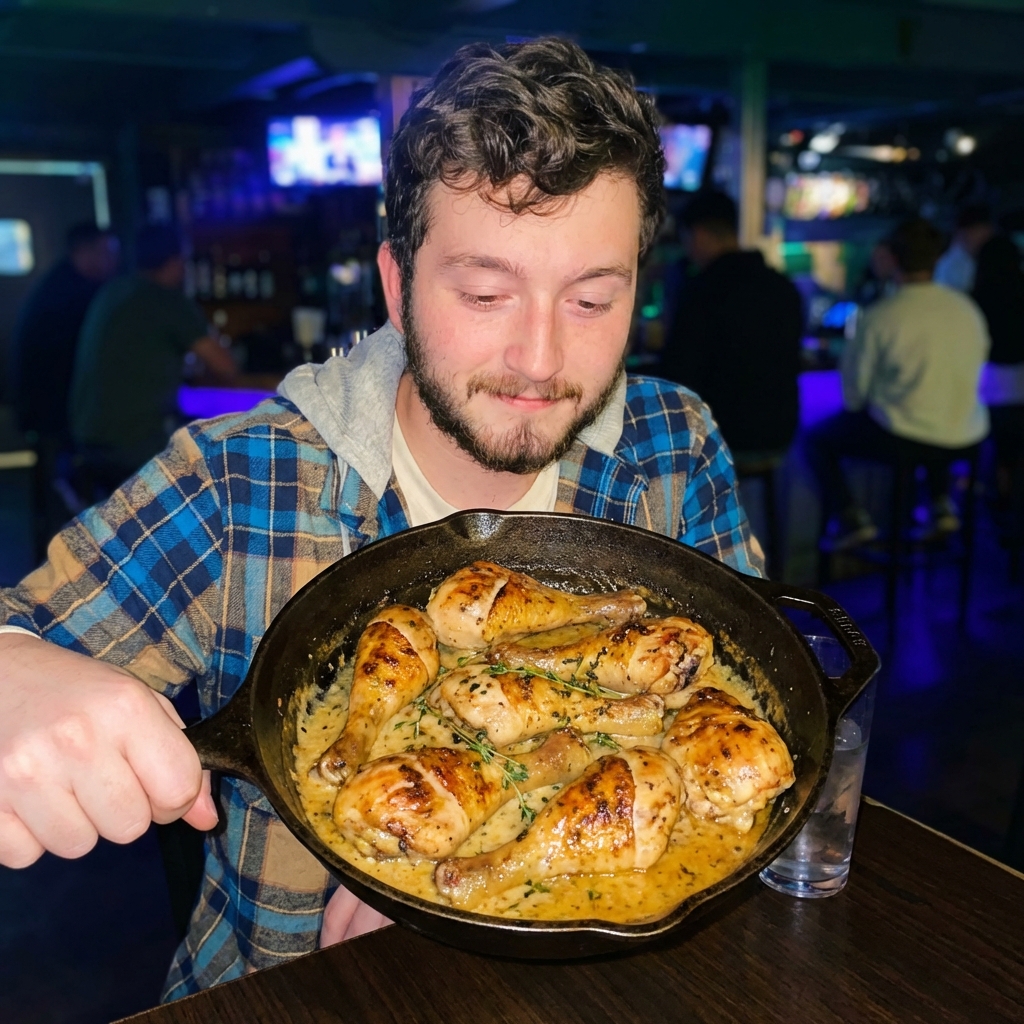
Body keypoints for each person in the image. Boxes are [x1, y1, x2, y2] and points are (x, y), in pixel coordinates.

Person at [0, 39, 762, 1000]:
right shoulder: (242, 482)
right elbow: (25, 637)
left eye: (590, 298)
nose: (539, 358)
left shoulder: (673, 444)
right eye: (485, 293)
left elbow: (744, 710)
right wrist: (11, 670)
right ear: (397, 287)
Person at [805, 217, 990, 549]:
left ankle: (851, 519)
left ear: (890, 257)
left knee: (816, 439)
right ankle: (940, 504)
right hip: (967, 433)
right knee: (929, 413)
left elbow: (854, 397)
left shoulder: (881, 315)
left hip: (907, 437)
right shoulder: (967, 309)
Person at [68, 223, 237, 494]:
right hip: (134, 445)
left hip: (87, 440)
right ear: (176, 261)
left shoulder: (111, 292)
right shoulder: (166, 299)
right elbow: (226, 367)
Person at [658, 190, 804, 462]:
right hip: (780, 432)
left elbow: (679, 372)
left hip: (722, 436)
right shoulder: (783, 287)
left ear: (699, 234)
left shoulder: (702, 291)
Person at [6, 223, 120, 548]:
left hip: (45, 408)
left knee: (53, 491)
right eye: (107, 252)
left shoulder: (59, 285)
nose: (113, 261)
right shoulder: (76, 294)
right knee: (61, 494)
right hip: (55, 411)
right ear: (84, 252)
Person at [972, 233, 1024, 502]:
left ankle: (991, 494)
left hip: (987, 386)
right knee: (1011, 452)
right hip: (1019, 386)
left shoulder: (975, 299)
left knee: (991, 448)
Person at [934, 203, 995, 293]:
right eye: (980, 233)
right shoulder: (955, 265)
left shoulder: (970, 261)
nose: (986, 241)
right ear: (964, 231)